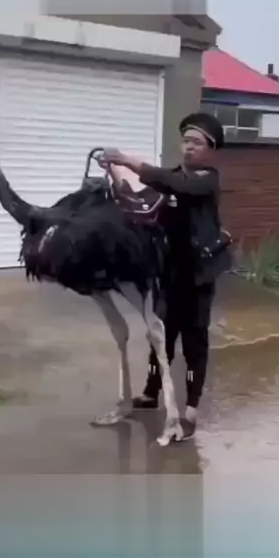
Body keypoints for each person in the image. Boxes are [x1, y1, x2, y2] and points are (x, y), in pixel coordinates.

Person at [100, 111, 230, 441]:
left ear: (211, 149)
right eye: (186, 141)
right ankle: (150, 392)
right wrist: (115, 173)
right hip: (170, 273)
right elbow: (140, 200)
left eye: (197, 142)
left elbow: (177, 185)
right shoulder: (172, 177)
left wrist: (130, 161)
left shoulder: (207, 180)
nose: (189, 147)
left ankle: (191, 410)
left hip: (199, 276)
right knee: (161, 337)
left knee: (194, 343)